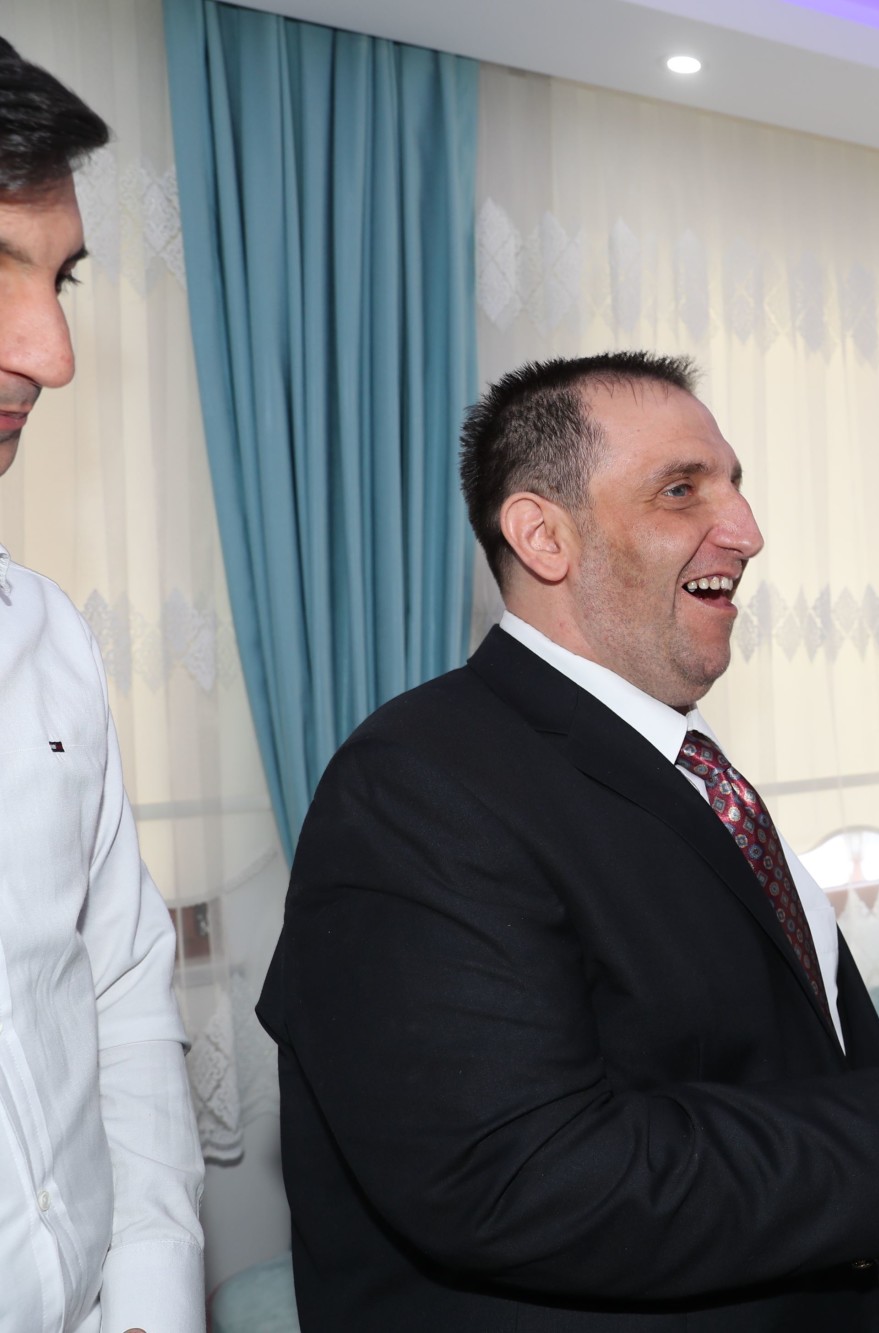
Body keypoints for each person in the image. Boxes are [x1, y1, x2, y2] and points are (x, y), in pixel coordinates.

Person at [255, 351, 879, 1330]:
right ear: (543, 536)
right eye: (681, 489)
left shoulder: (691, 768)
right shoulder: (415, 786)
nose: (747, 532)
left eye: (736, 486)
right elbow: (525, 1173)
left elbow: (787, 1073)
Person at [0, 37, 206, 1333]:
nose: (53, 351)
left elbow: (119, 988)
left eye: (59, 278)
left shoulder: (51, 638)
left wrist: (150, 1296)